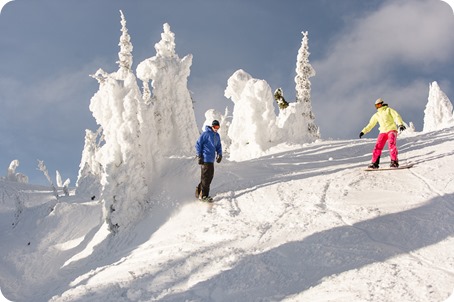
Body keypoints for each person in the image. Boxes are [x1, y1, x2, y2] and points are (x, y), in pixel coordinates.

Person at [359, 98, 406, 169]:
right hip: (383, 131)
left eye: (378, 105)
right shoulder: (376, 115)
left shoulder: (388, 110)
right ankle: (374, 163)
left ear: (381, 103)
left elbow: (396, 116)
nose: (377, 107)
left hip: (391, 130)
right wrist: (363, 131)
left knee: (391, 144)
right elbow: (371, 124)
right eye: (376, 106)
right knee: (378, 146)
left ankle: (394, 161)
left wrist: (400, 124)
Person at [195, 120, 222, 202]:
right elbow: (198, 144)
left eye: (218, 127)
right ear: (212, 126)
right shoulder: (206, 134)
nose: (216, 129)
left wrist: (219, 154)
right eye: (215, 127)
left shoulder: (217, 135)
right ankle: (204, 196)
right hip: (205, 158)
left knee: (209, 177)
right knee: (206, 178)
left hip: (211, 159)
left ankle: (199, 191)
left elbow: (218, 146)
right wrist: (199, 155)